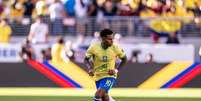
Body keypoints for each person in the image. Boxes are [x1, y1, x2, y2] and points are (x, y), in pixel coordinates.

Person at [84, 29, 127, 101]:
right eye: (109, 39)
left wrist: (116, 70)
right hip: (98, 76)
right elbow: (86, 59)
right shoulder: (94, 47)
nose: (112, 41)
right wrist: (90, 68)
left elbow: (124, 59)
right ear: (103, 39)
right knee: (104, 97)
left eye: (112, 39)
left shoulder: (115, 47)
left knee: (98, 95)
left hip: (109, 76)